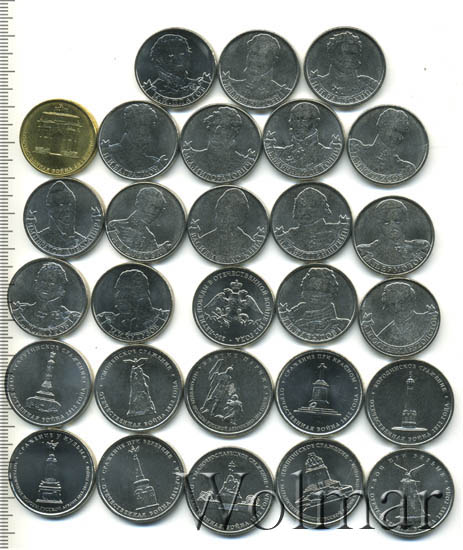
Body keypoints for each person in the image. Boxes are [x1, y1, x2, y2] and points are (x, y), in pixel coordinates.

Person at [265, 102, 341, 169]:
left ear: (315, 123)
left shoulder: (327, 153)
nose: (296, 124)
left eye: (303, 119)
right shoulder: (281, 153)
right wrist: (270, 146)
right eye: (294, 120)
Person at [191, 188, 265, 256]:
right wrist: (196, 236)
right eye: (220, 214)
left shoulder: (247, 243)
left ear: (238, 219)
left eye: (228, 216)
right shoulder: (206, 240)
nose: (221, 220)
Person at [184, 106, 256, 175]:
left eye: (223, 127)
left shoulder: (242, 162)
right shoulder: (195, 157)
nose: (216, 131)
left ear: (233, 132)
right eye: (214, 125)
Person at [357, 199, 430, 266]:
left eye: (397, 221)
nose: (393, 226)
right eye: (386, 222)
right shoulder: (367, 251)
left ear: (405, 222)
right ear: (379, 225)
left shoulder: (420, 247)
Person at [275, 186, 349, 251]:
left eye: (311, 206)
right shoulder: (289, 236)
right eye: (300, 207)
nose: (304, 211)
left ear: (322, 208)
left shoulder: (336, 231)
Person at [349, 108, 416, 178]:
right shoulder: (356, 151)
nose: (400, 137)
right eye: (395, 130)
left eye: (403, 134)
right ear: (382, 127)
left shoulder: (405, 169)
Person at [96, 269, 168, 334]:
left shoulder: (163, 317)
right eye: (118, 290)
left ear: (140, 294)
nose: (117, 296)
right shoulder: (107, 319)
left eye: (122, 290)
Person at [281, 267, 350, 334]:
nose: (313, 295)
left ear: (330, 294)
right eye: (310, 289)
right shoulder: (297, 310)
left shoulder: (341, 324)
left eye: (320, 291)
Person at [222, 33, 291, 100]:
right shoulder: (233, 85)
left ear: (274, 60)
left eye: (263, 56)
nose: (255, 60)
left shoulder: (280, 91)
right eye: (253, 54)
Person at [12, 262, 80, 329]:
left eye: (51, 282)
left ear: (61, 288)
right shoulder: (21, 312)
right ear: (36, 284)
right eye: (43, 280)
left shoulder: (71, 318)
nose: (46, 285)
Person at [309, 30, 378, 97]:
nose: (349, 58)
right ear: (331, 55)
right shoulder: (319, 82)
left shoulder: (370, 84)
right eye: (344, 53)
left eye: (353, 54)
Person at [143, 33, 211, 98]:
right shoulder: (156, 88)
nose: (177, 58)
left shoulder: (197, 84)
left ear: (188, 55)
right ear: (158, 59)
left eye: (182, 53)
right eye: (170, 55)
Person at [27, 180, 89, 250]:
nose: (67, 209)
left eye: (70, 204)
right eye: (61, 205)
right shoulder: (42, 238)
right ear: (50, 209)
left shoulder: (81, 239)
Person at [107, 186, 171, 253]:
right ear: (139, 204)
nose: (156, 212)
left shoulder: (149, 236)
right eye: (152, 206)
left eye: (159, 209)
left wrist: (162, 248)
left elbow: (150, 253)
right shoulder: (116, 226)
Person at [105, 103, 167, 171]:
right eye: (145, 127)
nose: (149, 137)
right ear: (132, 126)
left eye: (149, 130)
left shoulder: (153, 161)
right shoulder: (111, 153)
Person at [374, 281, 437, 346]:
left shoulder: (427, 321)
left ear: (401, 304)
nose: (386, 308)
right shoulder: (385, 333)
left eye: (391, 304)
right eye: (389, 304)